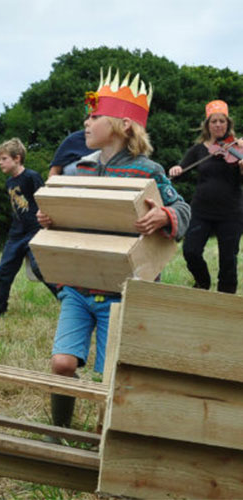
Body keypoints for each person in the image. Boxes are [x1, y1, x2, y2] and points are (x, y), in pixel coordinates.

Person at [37, 70, 190, 431]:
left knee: (111, 377)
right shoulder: (81, 169)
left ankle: (108, 445)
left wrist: (163, 216)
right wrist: (51, 217)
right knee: (61, 363)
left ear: (122, 125)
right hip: (78, 285)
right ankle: (60, 434)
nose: (85, 122)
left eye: (94, 117)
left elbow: (183, 209)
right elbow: (69, 218)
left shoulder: (148, 172)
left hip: (121, 292)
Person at [167, 100, 243, 294]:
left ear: (228, 124)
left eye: (222, 121)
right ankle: (203, 282)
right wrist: (176, 169)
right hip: (201, 210)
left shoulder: (239, 148)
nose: (218, 125)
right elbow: (180, 169)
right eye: (214, 121)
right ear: (207, 125)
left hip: (231, 212)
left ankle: (225, 300)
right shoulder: (198, 150)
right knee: (190, 250)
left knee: (228, 259)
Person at [0, 138, 53, 318]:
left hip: (35, 231)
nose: (0, 162)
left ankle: (67, 301)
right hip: (16, 234)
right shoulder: (9, 182)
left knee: (39, 268)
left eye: (4, 159)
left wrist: (47, 226)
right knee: (2, 273)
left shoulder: (31, 177)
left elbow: (45, 200)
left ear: (17, 158)